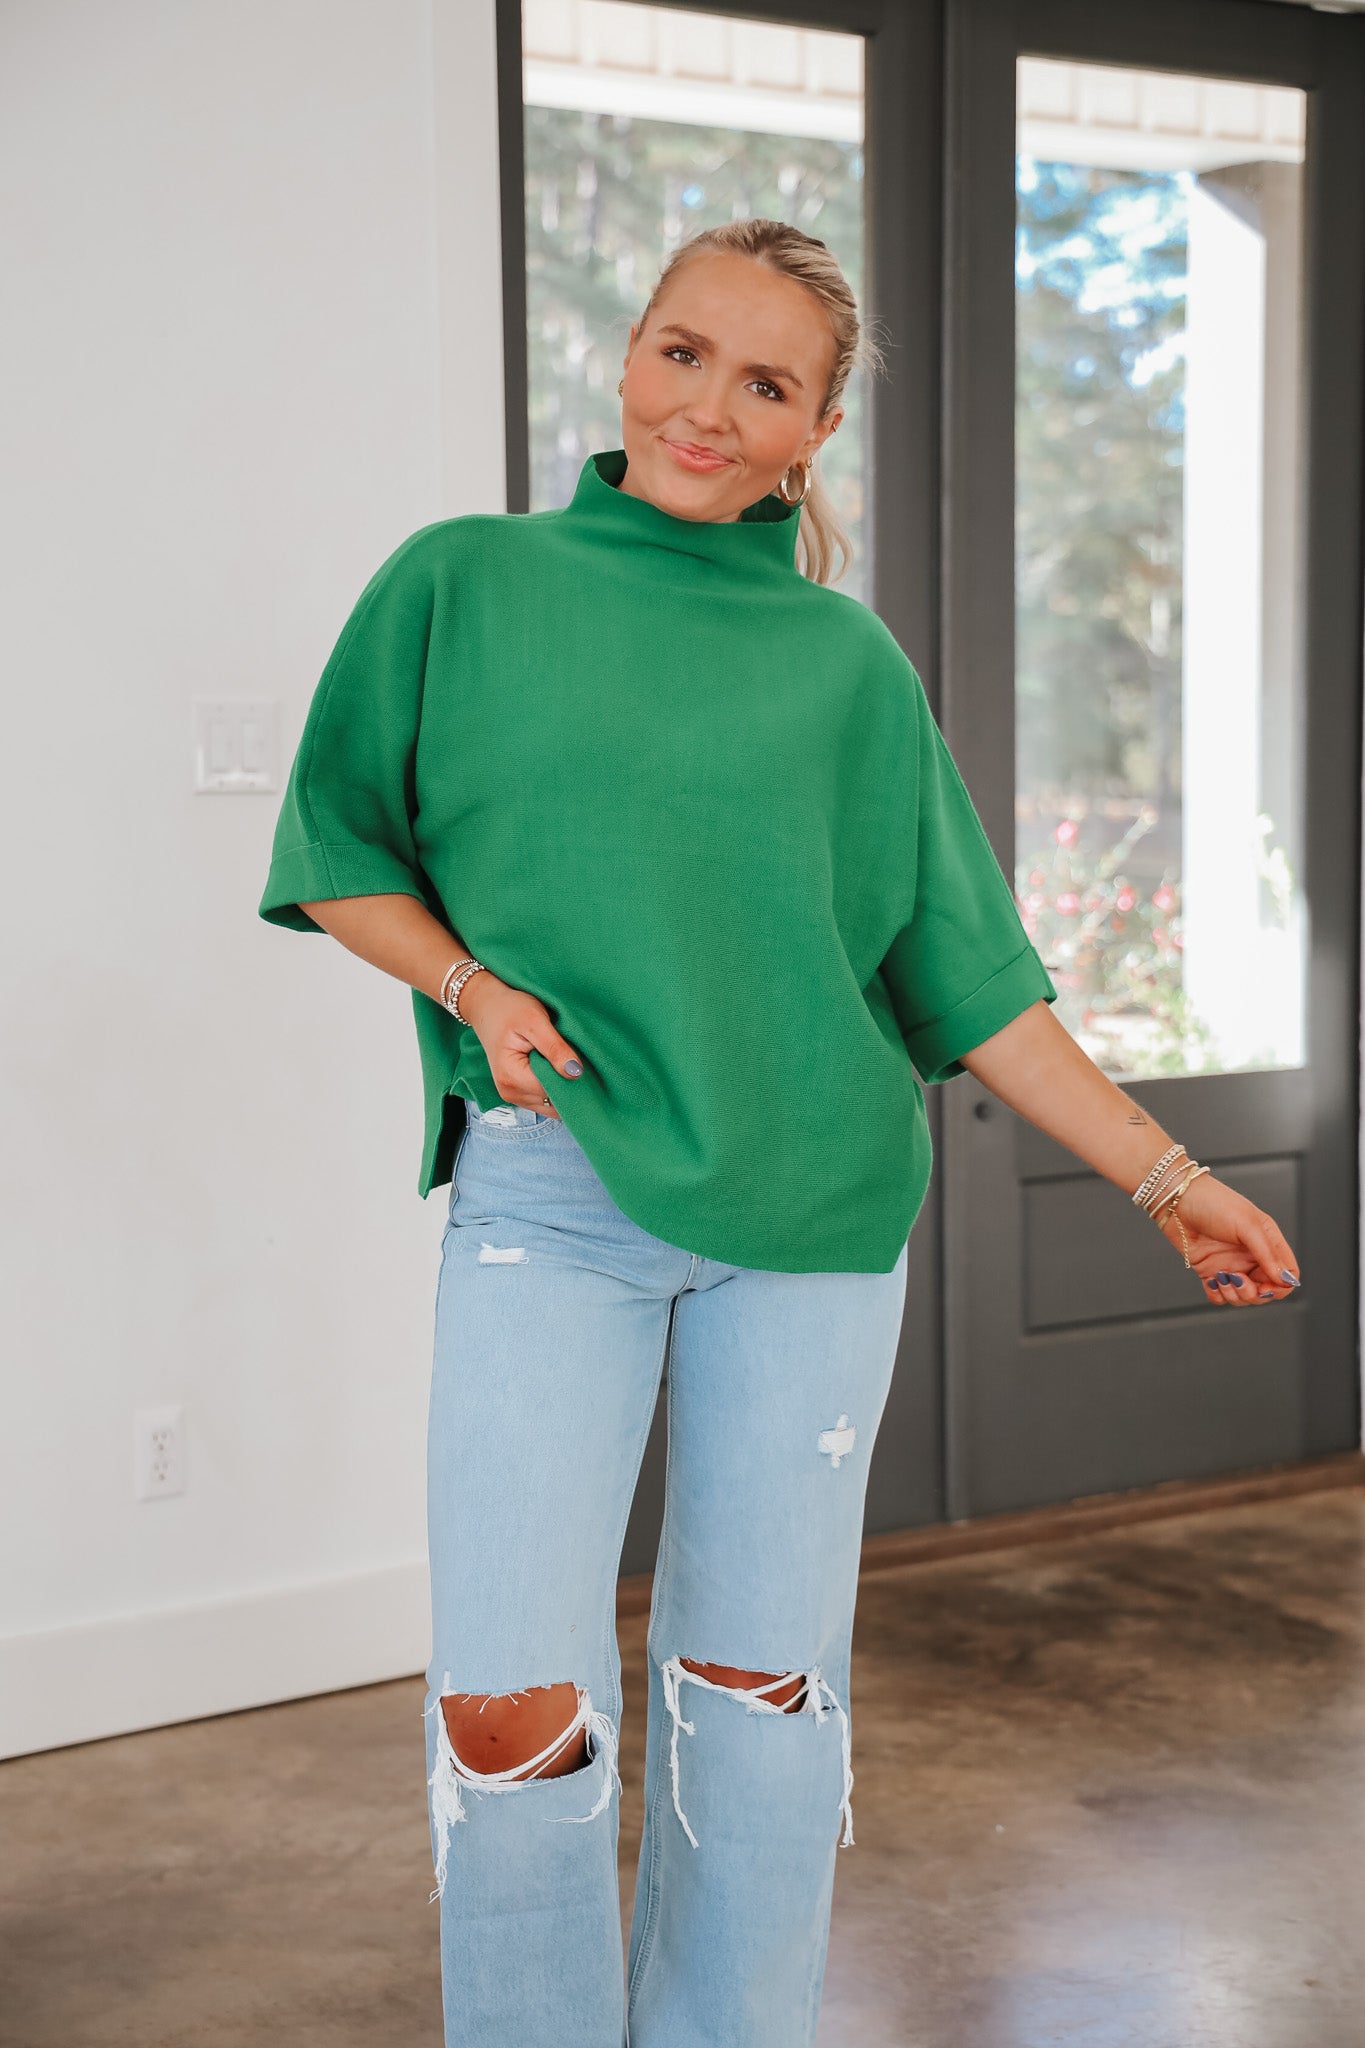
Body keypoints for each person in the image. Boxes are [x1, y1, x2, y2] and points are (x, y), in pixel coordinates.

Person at [257, 217, 1302, 2047]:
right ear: (627, 354)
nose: (707, 409)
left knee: (758, 1709)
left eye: (764, 385)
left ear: (812, 432)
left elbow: (969, 984)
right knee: (509, 1718)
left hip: (811, 1225)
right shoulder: (461, 584)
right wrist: (468, 988)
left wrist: (1170, 1180)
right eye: (683, 354)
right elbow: (339, 848)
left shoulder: (845, 667)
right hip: (550, 1205)